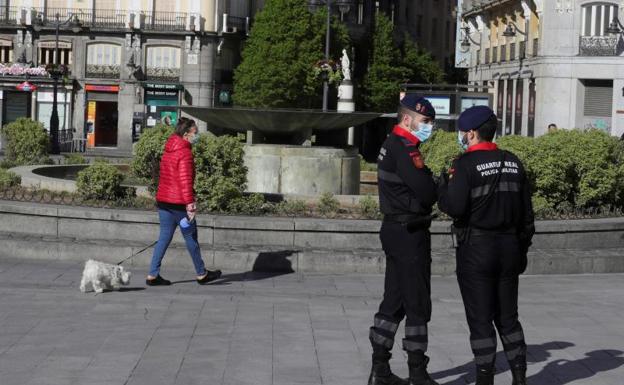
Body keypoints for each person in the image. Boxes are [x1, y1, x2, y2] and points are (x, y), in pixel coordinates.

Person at [437, 106, 535, 385]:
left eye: (462, 133)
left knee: (480, 320)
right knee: (508, 318)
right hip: (509, 249)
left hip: (477, 250)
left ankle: (484, 379)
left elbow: (455, 207)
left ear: (471, 133)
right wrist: (522, 249)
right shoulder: (513, 161)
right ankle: (519, 377)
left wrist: (443, 188)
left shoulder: (464, 164)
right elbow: (527, 215)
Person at [368, 94, 439, 385]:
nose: (429, 128)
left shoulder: (389, 144)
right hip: (410, 233)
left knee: (394, 301)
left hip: (394, 230)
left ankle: (380, 370)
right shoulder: (405, 148)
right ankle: (417, 373)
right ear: (407, 119)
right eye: (425, 122)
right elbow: (428, 193)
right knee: (417, 304)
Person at [146, 117, 222, 286]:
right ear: (186, 134)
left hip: (164, 201)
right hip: (179, 204)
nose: (197, 135)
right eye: (195, 132)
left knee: (164, 237)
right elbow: (185, 181)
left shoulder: (169, 149)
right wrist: (190, 204)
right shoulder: (185, 153)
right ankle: (202, 274)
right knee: (191, 237)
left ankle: (152, 274)